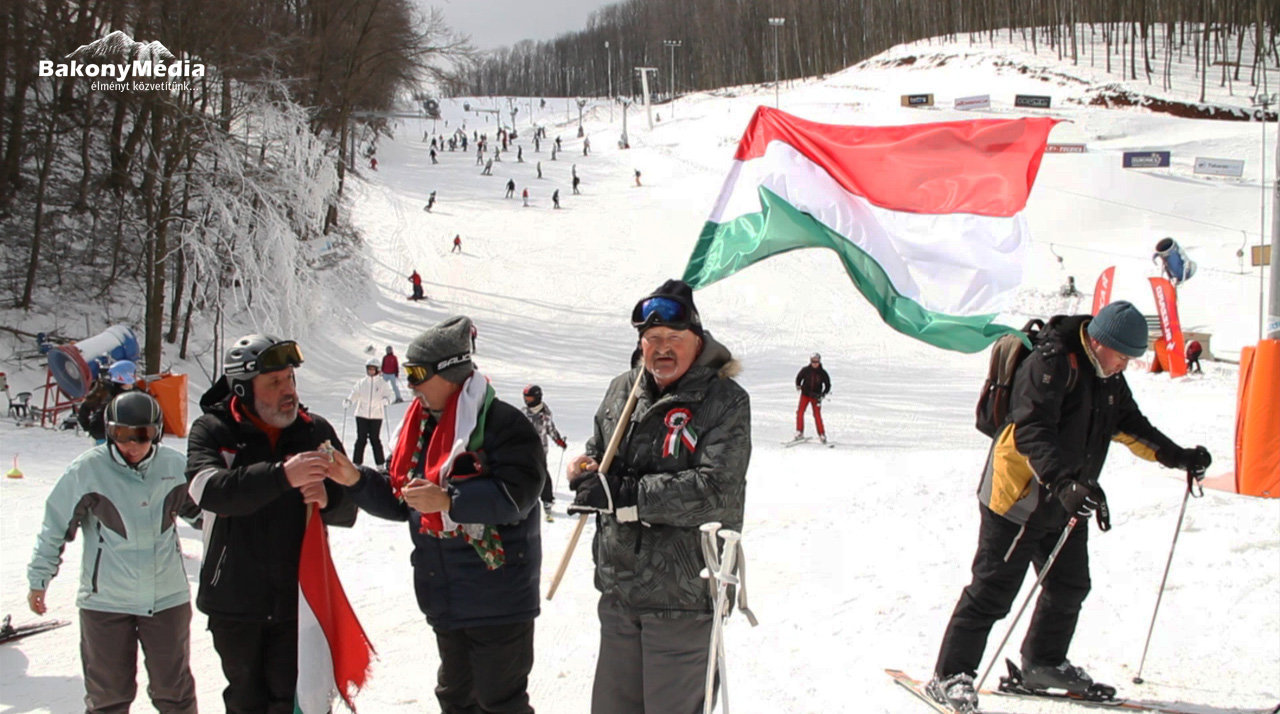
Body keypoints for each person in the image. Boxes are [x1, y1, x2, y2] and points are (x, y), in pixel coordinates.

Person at [927, 300, 1213, 712]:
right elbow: (1032, 431)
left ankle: (1042, 664)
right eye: (1122, 356)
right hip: (1018, 498)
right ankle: (951, 675)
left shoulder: (1107, 375)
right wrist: (1063, 483)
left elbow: (1130, 425)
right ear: (1099, 342)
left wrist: (1178, 456)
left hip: (1066, 499)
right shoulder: (1051, 364)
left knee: (1069, 585)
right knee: (992, 591)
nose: (1125, 365)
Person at [325, 316, 545, 714]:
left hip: (498, 597)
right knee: (456, 699)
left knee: (500, 701)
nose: (409, 386)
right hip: (445, 594)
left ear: (451, 373)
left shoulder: (502, 424)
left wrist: (449, 500)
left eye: (417, 375)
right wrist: (355, 478)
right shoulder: (420, 428)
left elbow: (519, 497)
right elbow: (402, 500)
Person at [567, 279, 751, 714]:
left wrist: (625, 494)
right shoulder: (621, 389)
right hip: (619, 592)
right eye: (652, 339)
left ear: (698, 341)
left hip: (683, 597)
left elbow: (715, 492)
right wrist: (586, 470)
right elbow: (600, 453)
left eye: (673, 338)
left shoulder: (723, 400)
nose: (662, 348)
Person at [185, 334, 358, 714]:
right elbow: (208, 492)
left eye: (290, 379)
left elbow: (349, 510)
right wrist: (283, 475)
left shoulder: (315, 431)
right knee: (247, 702)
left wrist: (330, 500)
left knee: (296, 701)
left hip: (299, 599)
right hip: (234, 601)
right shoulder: (213, 431)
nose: (288, 391)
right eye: (274, 383)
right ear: (244, 390)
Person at [28, 392, 197, 714]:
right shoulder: (87, 470)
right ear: (109, 432)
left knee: (174, 692)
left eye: (142, 436)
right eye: (122, 436)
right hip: (105, 602)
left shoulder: (175, 466)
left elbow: (211, 515)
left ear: (157, 433)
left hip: (167, 598)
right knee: (109, 695)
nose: (132, 445)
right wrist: (39, 579)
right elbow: (54, 526)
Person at [521, 384, 566, 518]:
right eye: (525, 398)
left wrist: (558, 441)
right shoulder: (523, 411)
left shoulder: (545, 414)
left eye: (529, 398)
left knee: (541, 473)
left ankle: (547, 499)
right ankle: (524, 496)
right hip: (524, 448)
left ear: (537, 397)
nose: (527, 401)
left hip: (540, 449)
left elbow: (551, 429)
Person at [77, 359, 139, 443]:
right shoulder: (106, 392)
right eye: (133, 374)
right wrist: (88, 428)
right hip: (103, 435)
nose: (135, 378)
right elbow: (84, 408)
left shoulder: (134, 392)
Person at [346, 359, 392, 467]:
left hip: (376, 415)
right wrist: (350, 400)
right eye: (369, 369)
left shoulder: (382, 384)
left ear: (377, 370)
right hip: (361, 414)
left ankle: (380, 464)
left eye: (373, 369)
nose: (371, 371)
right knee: (361, 439)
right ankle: (357, 463)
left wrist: (386, 400)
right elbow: (355, 393)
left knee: (375, 439)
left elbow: (389, 395)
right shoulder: (362, 383)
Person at [794, 352, 831, 443]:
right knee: (800, 412)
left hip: (816, 397)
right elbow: (799, 378)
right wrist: (798, 385)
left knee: (817, 415)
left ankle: (821, 434)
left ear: (819, 361)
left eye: (816, 361)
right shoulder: (805, 370)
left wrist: (823, 394)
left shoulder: (822, 373)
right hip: (805, 395)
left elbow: (827, 385)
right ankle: (799, 432)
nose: (815, 363)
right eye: (813, 361)